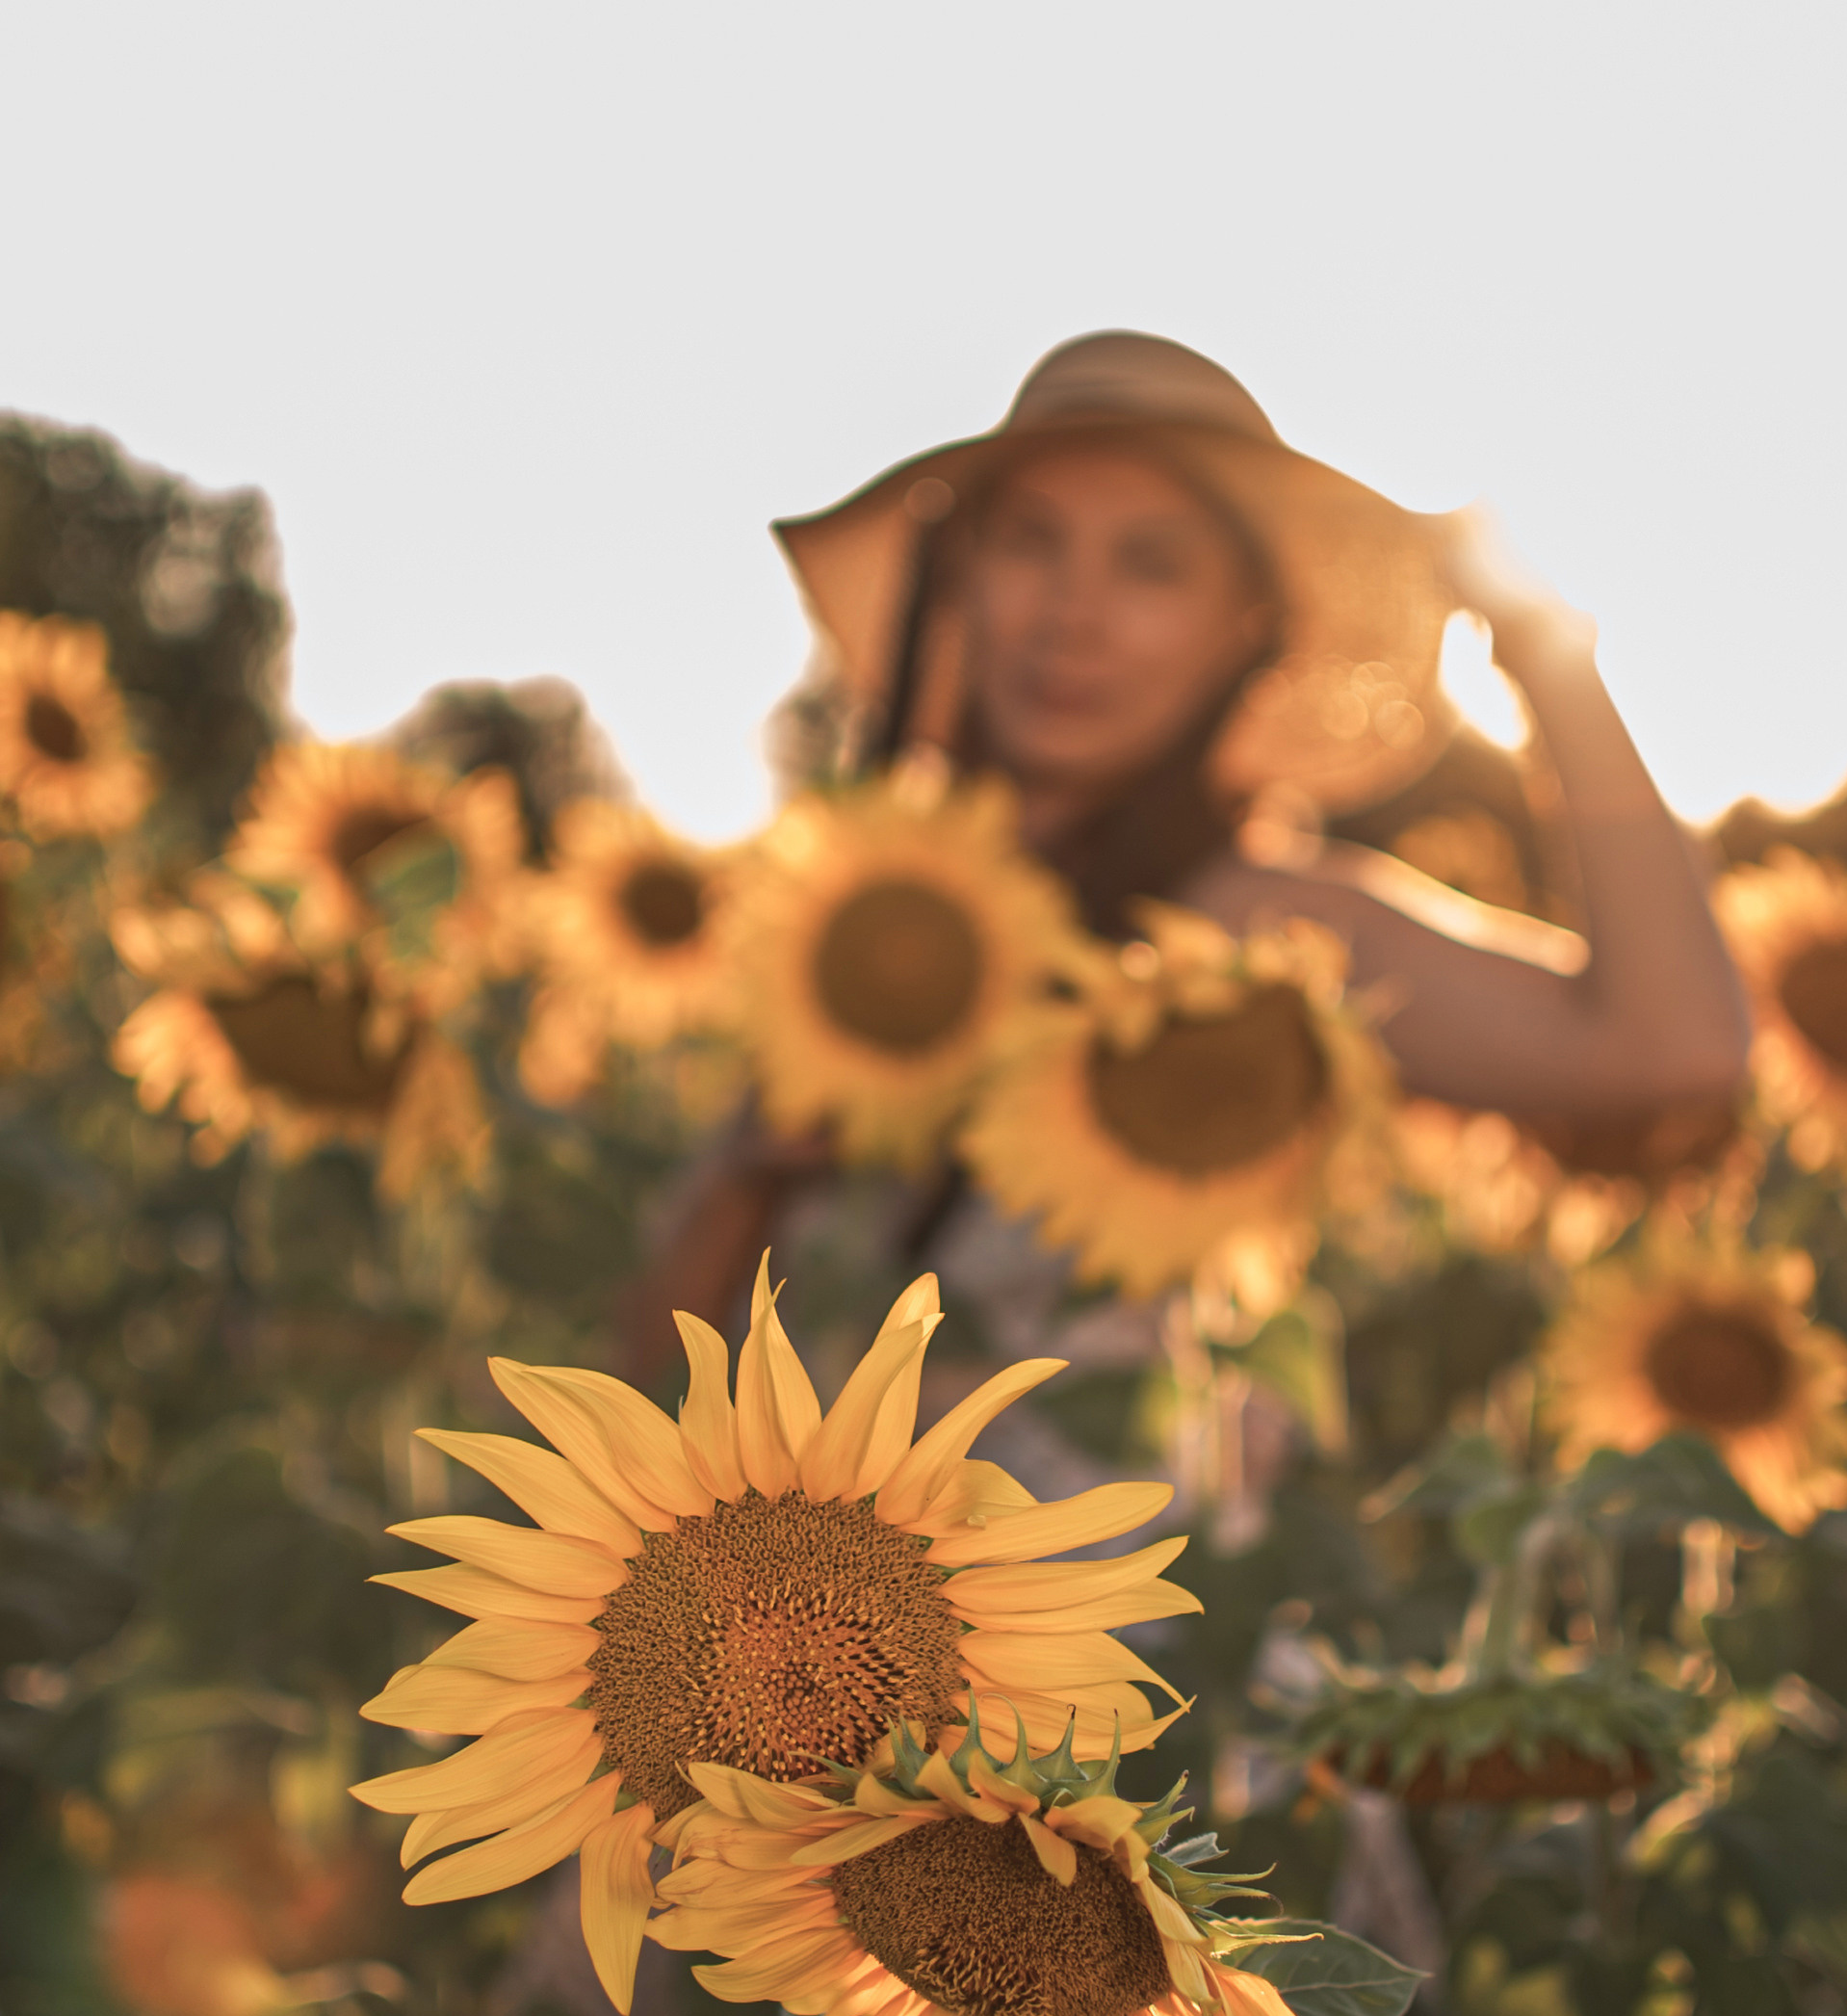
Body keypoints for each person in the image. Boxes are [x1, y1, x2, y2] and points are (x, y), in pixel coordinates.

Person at [625, 330, 1750, 1381]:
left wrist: (1553, 660)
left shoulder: (1269, 936)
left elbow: (1676, 1048)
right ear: (962, 582)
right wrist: (752, 1174)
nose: (1074, 611)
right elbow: (646, 1374)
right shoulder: (860, 910)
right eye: (1032, 542)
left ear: (1246, 625)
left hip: (1100, 1584)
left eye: (1151, 565)